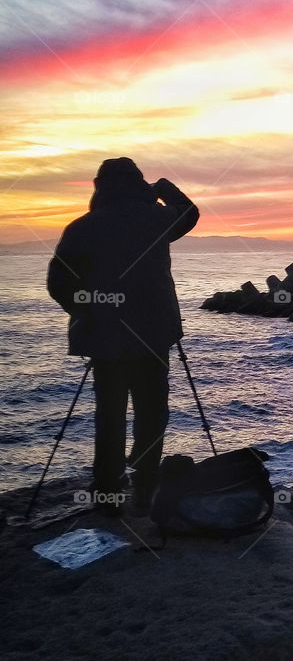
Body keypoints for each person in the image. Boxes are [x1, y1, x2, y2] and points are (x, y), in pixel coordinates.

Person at [47, 158, 199, 514]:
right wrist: (162, 188)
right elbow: (188, 213)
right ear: (138, 185)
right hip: (154, 335)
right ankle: (145, 485)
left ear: (100, 186)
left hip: (106, 339)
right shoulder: (155, 220)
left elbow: (59, 283)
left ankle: (108, 489)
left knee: (110, 412)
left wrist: (86, 311)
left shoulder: (82, 228)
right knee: (152, 410)